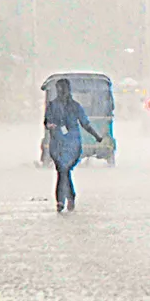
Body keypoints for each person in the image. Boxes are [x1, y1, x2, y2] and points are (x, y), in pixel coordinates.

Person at [44, 78, 104, 213]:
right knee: (63, 171)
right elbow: (47, 121)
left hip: (72, 144)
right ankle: (66, 199)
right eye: (59, 90)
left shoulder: (75, 106)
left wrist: (96, 136)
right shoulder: (52, 106)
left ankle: (63, 200)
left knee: (63, 171)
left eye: (63, 89)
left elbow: (85, 123)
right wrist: (51, 126)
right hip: (57, 144)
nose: (61, 92)